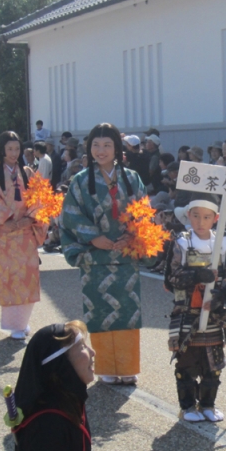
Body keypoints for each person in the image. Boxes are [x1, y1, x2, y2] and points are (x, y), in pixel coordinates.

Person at [7, 322, 183, 451]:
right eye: (81, 347)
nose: (92, 352)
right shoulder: (49, 426)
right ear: (60, 363)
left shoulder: (66, 402)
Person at [60, 124, 148, 385]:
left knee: (127, 311)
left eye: (107, 145)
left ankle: (128, 365)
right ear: (89, 148)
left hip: (125, 257)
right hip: (94, 257)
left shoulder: (132, 179)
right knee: (98, 311)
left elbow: (144, 212)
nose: (101, 151)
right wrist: (93, 237)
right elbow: (70, 215)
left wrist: (132, 235)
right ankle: (106, 367)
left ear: (117, 149)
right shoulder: (79, 181)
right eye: (96, 146)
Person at [164, 195, 226, 422]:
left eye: (206, 217)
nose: (200, 221)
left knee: (213, 363)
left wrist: (220, 294)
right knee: (186, 362)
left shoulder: (224, 242)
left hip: (214, 312)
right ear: (188, 216)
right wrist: (196, 275)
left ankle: (208, 404)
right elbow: (171, 277)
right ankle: (187, 406)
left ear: (216, 218)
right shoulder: (181, 242)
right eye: (195, 216)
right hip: (187, 311)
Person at [0, 131, 49, 339]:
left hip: (25, 233)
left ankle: (22, 322)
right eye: (9, 149)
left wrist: (30, 218)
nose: (14, 153)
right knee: (9, 277)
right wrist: (6, 221)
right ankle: (15, 325)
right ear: (1, 150)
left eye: (17, 149)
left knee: (27, 277)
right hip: (4, 235)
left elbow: (39, 199)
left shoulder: (28, 172)